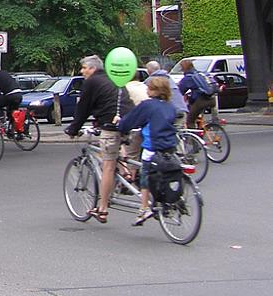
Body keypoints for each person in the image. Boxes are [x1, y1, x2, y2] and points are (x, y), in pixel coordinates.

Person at [64, 55, 135, 224]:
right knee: (117, 147)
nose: (82, 71)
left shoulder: (92, 82)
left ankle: (102, 208)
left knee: (108, 166)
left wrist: (73, 129)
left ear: (92, 69)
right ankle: (126, 173)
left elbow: (83, 109)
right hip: (128, 120)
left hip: (110, 126)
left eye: (84, 68)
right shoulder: (113, 77)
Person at [116, 75, 178, 226]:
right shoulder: (170, 106)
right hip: (170, 146)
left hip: (153, 146)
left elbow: (131, 121)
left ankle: (144, 208)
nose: (147, 90)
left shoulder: (147, 105)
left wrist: (120, 125)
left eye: (149, 88)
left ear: (155, 91)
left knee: (145, 176)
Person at [177, 58, 216, 129]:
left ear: (183, 69)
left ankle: (194, 139)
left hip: (201, 101)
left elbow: (179, 91)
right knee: (196, 115)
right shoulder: (201, 73)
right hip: (212, 99)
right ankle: (200, 132)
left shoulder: (188, 77)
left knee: (189, 121)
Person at [0, 62, 23, 133]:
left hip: (11, 95)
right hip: (19, 94)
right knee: (12, 113)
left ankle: (2, 121)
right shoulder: (5, 73)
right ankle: (14, 131)